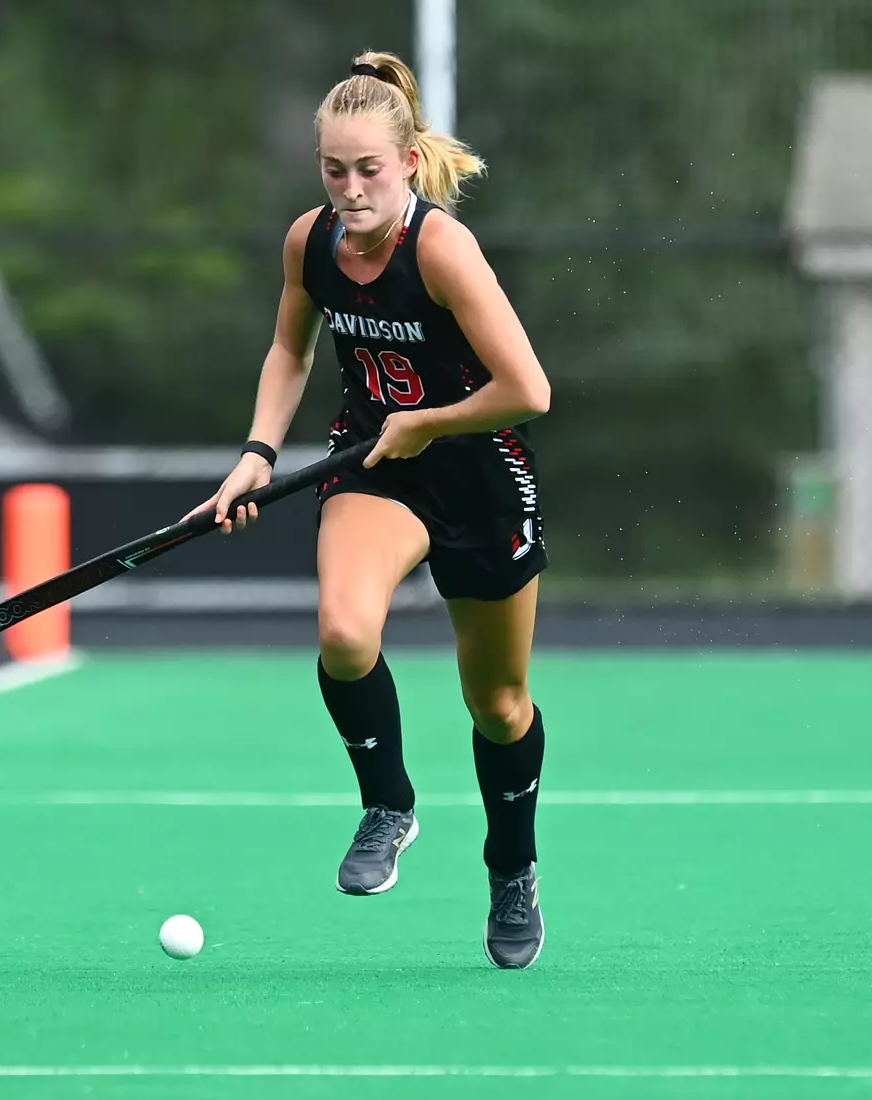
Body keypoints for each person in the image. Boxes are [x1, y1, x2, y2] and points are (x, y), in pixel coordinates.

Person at [190, 50, 554, 970]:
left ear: (405, 164)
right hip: (376, 463)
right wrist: (255, 456)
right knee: (346, 634)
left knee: (500, 705)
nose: (350, 190)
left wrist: (428, 422)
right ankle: (388, 805)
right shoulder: (309, 241)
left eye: (369, 171)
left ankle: (512, 869)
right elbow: (288, 352)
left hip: (476, 471)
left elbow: (528, 391)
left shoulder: (440, 248)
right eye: (333, 170)